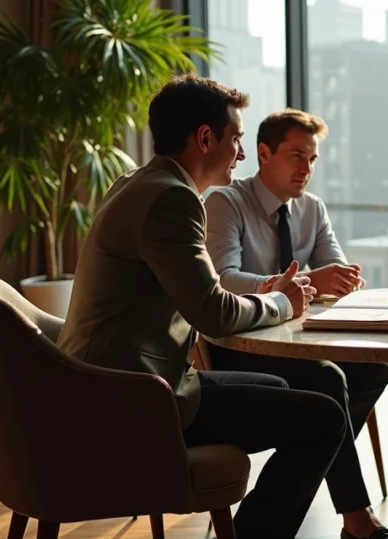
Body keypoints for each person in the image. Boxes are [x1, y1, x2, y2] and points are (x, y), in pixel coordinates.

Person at [57, 74, 347, 539]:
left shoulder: (140, 181)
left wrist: (269, 296)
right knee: (324, 418)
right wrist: (281, 302)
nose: (242, 153)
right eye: (236, 139)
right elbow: (211, 312)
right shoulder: (173, 199)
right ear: (205, 138)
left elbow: (202, 297)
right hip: (133, 400)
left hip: (117, 380)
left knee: (284, 383)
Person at [203, 109, 388, 539]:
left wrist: (345, 280)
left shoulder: (312, 209)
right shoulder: (226, 201)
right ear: (263, 153)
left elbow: (338, 269)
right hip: (238, 345)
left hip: (294, 342)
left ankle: (315, 457)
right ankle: (356, 518)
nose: (306, 169)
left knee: (373, 370)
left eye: (311, 159)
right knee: (327, 381)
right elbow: (223, 279)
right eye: (296, 156)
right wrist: (310, 281)